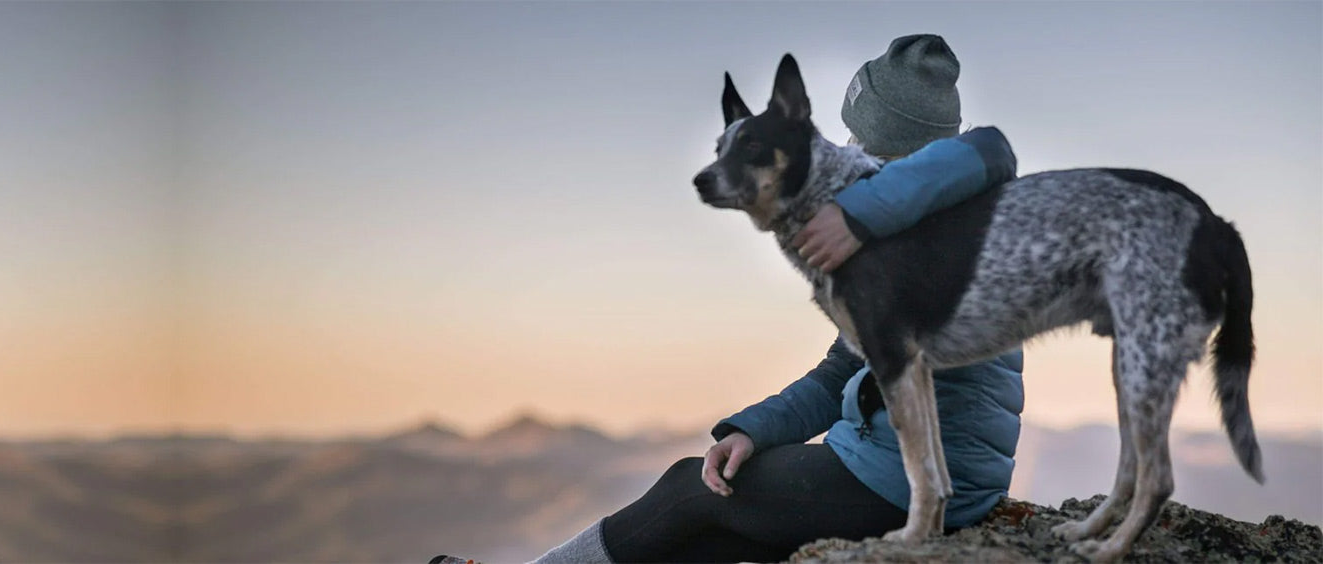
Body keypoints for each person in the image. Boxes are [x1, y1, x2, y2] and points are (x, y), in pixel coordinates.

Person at [433, 34, 1025, 564]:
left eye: (854, 137)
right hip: (906, 467)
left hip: (912, 480)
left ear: (881, 143)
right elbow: (842, 369)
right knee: (712, 534)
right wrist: (754, 429)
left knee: (687, 489)